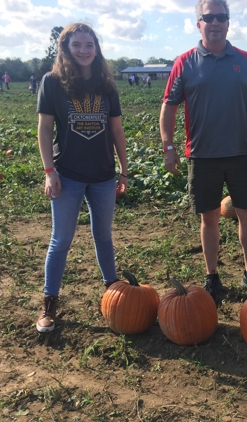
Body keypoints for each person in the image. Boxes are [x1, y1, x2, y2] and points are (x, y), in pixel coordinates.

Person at [159, 0, 247, 306]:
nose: (215, 22)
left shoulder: (246, 61)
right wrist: (168, 147)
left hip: (242, 154)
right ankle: (212, 276)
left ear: (228, 23)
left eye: (221, 17)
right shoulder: (185, 62)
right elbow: (168, 107)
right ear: (199, 24)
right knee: (209, 218)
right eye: (208, 17)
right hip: (201, 156)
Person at [36, 23, 128, 332]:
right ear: (65, 48)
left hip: (102, 176)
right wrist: (49, 172)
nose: (85, 50)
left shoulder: (106, 85)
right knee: (61, 239)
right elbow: (46, 129)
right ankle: (50, 301)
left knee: (103, 236)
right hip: (67, 175)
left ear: (97, 48)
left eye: (90, 44)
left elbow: (116, 130)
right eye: (77, 45)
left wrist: (124, 169)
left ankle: (112, 290)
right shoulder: (52, 83)